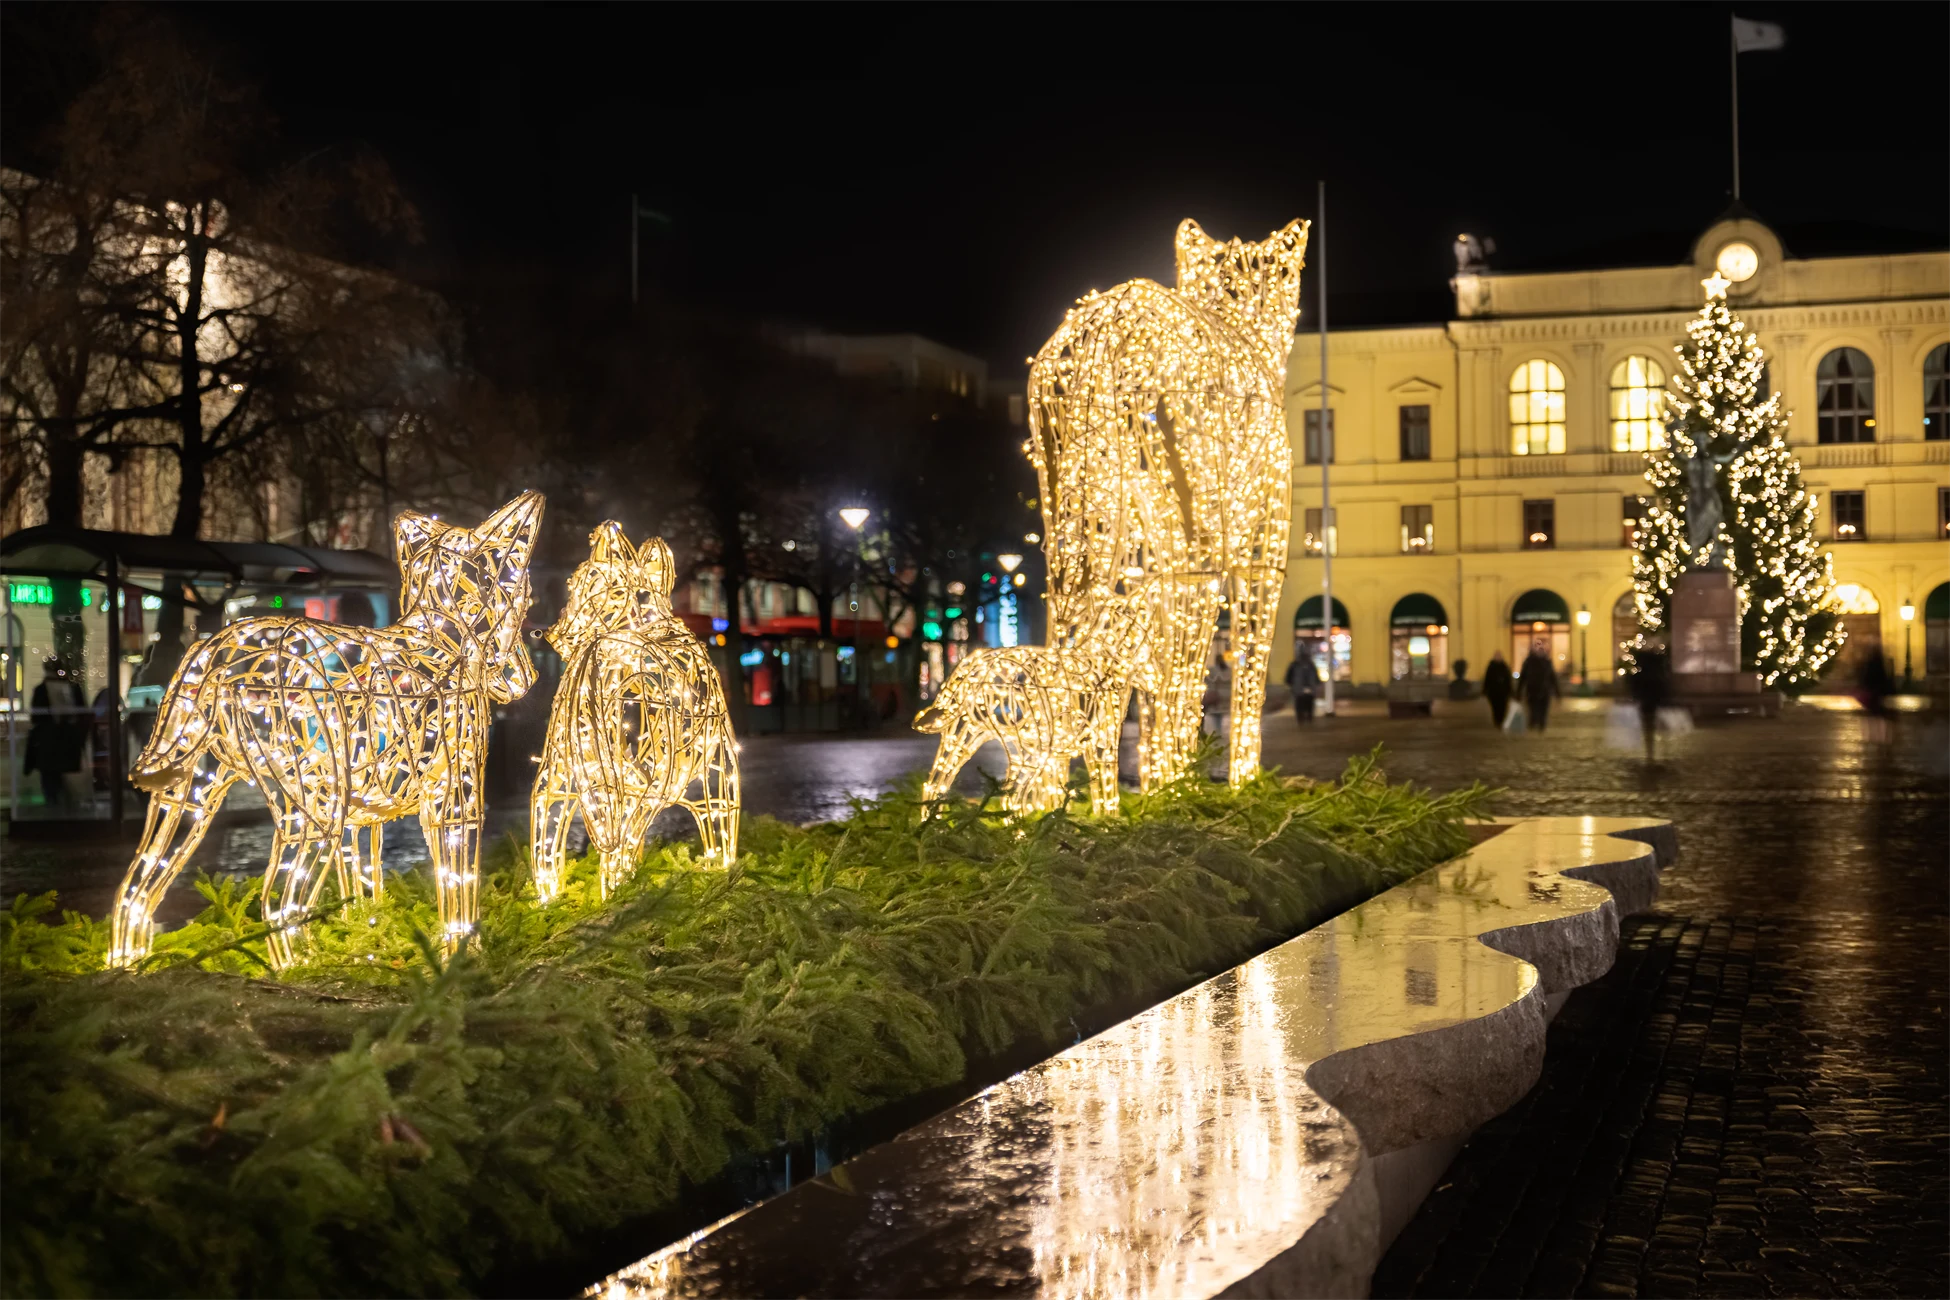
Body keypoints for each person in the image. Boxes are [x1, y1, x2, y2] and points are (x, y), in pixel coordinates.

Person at [23, 659, 86, 809]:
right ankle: (68, 806)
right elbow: (83, 713)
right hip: (69, 741)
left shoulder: (42, 689)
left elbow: (35, 717)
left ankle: (54, 805)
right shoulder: (73, 688)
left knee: (50, 779)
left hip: (48, 741)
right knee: (66, 778)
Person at [1630, 649, 1671, 760]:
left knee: (1648, 729)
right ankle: (1662, 751)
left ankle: (1651, 751)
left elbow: (1635, 690)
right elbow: (1664, 690)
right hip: (1655, 705)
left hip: (1646, 706)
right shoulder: (1658, 675)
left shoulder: (1640, 676)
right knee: (1658, 728)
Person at [1519, 641, 1560, 732]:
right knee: (1533, 707)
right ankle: (1534, 721)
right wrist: (1519, 691)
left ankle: (1541, 723)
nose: (1539, 650)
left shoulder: (1547, 661)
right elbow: (1523, 677)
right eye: (1536, 648)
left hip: (1544, 690)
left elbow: (1552, 677)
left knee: (1543, 708)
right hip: (1532, 690)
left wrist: (1557, 692)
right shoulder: (1528, 662)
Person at [1857, 653, 1895, 744]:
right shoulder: (1880, 665)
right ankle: (1882, 737)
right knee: (1879, 715)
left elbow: (1865, 678)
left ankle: (1872, 736)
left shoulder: (1868, 664)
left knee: (1872, 715)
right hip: (1878, 692)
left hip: (1872, 693)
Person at [1285, 650, 1321, 723]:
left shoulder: (1295, 665)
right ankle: (1306, 718)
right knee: (1307, 704)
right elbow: (1315, 676)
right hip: (1305, 688)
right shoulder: (1310, 665)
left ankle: (1303, 718)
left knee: (1302, 704)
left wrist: (1290, 684)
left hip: (1300, 688)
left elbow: (1288, 677)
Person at [1481, 652, 1513, 729]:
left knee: (1503, 707)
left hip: (1503, 692)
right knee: (1495, 707)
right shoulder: (1491, 667)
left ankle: (1501, 720)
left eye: (1499, 656)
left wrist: (1510, 690)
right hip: (1493, 692)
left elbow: (1508, 680)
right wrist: (1485, 690)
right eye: (1496, 656)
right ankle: (1497, 720)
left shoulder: (1504, 667)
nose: (1498, 658)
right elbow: (1487, 679)